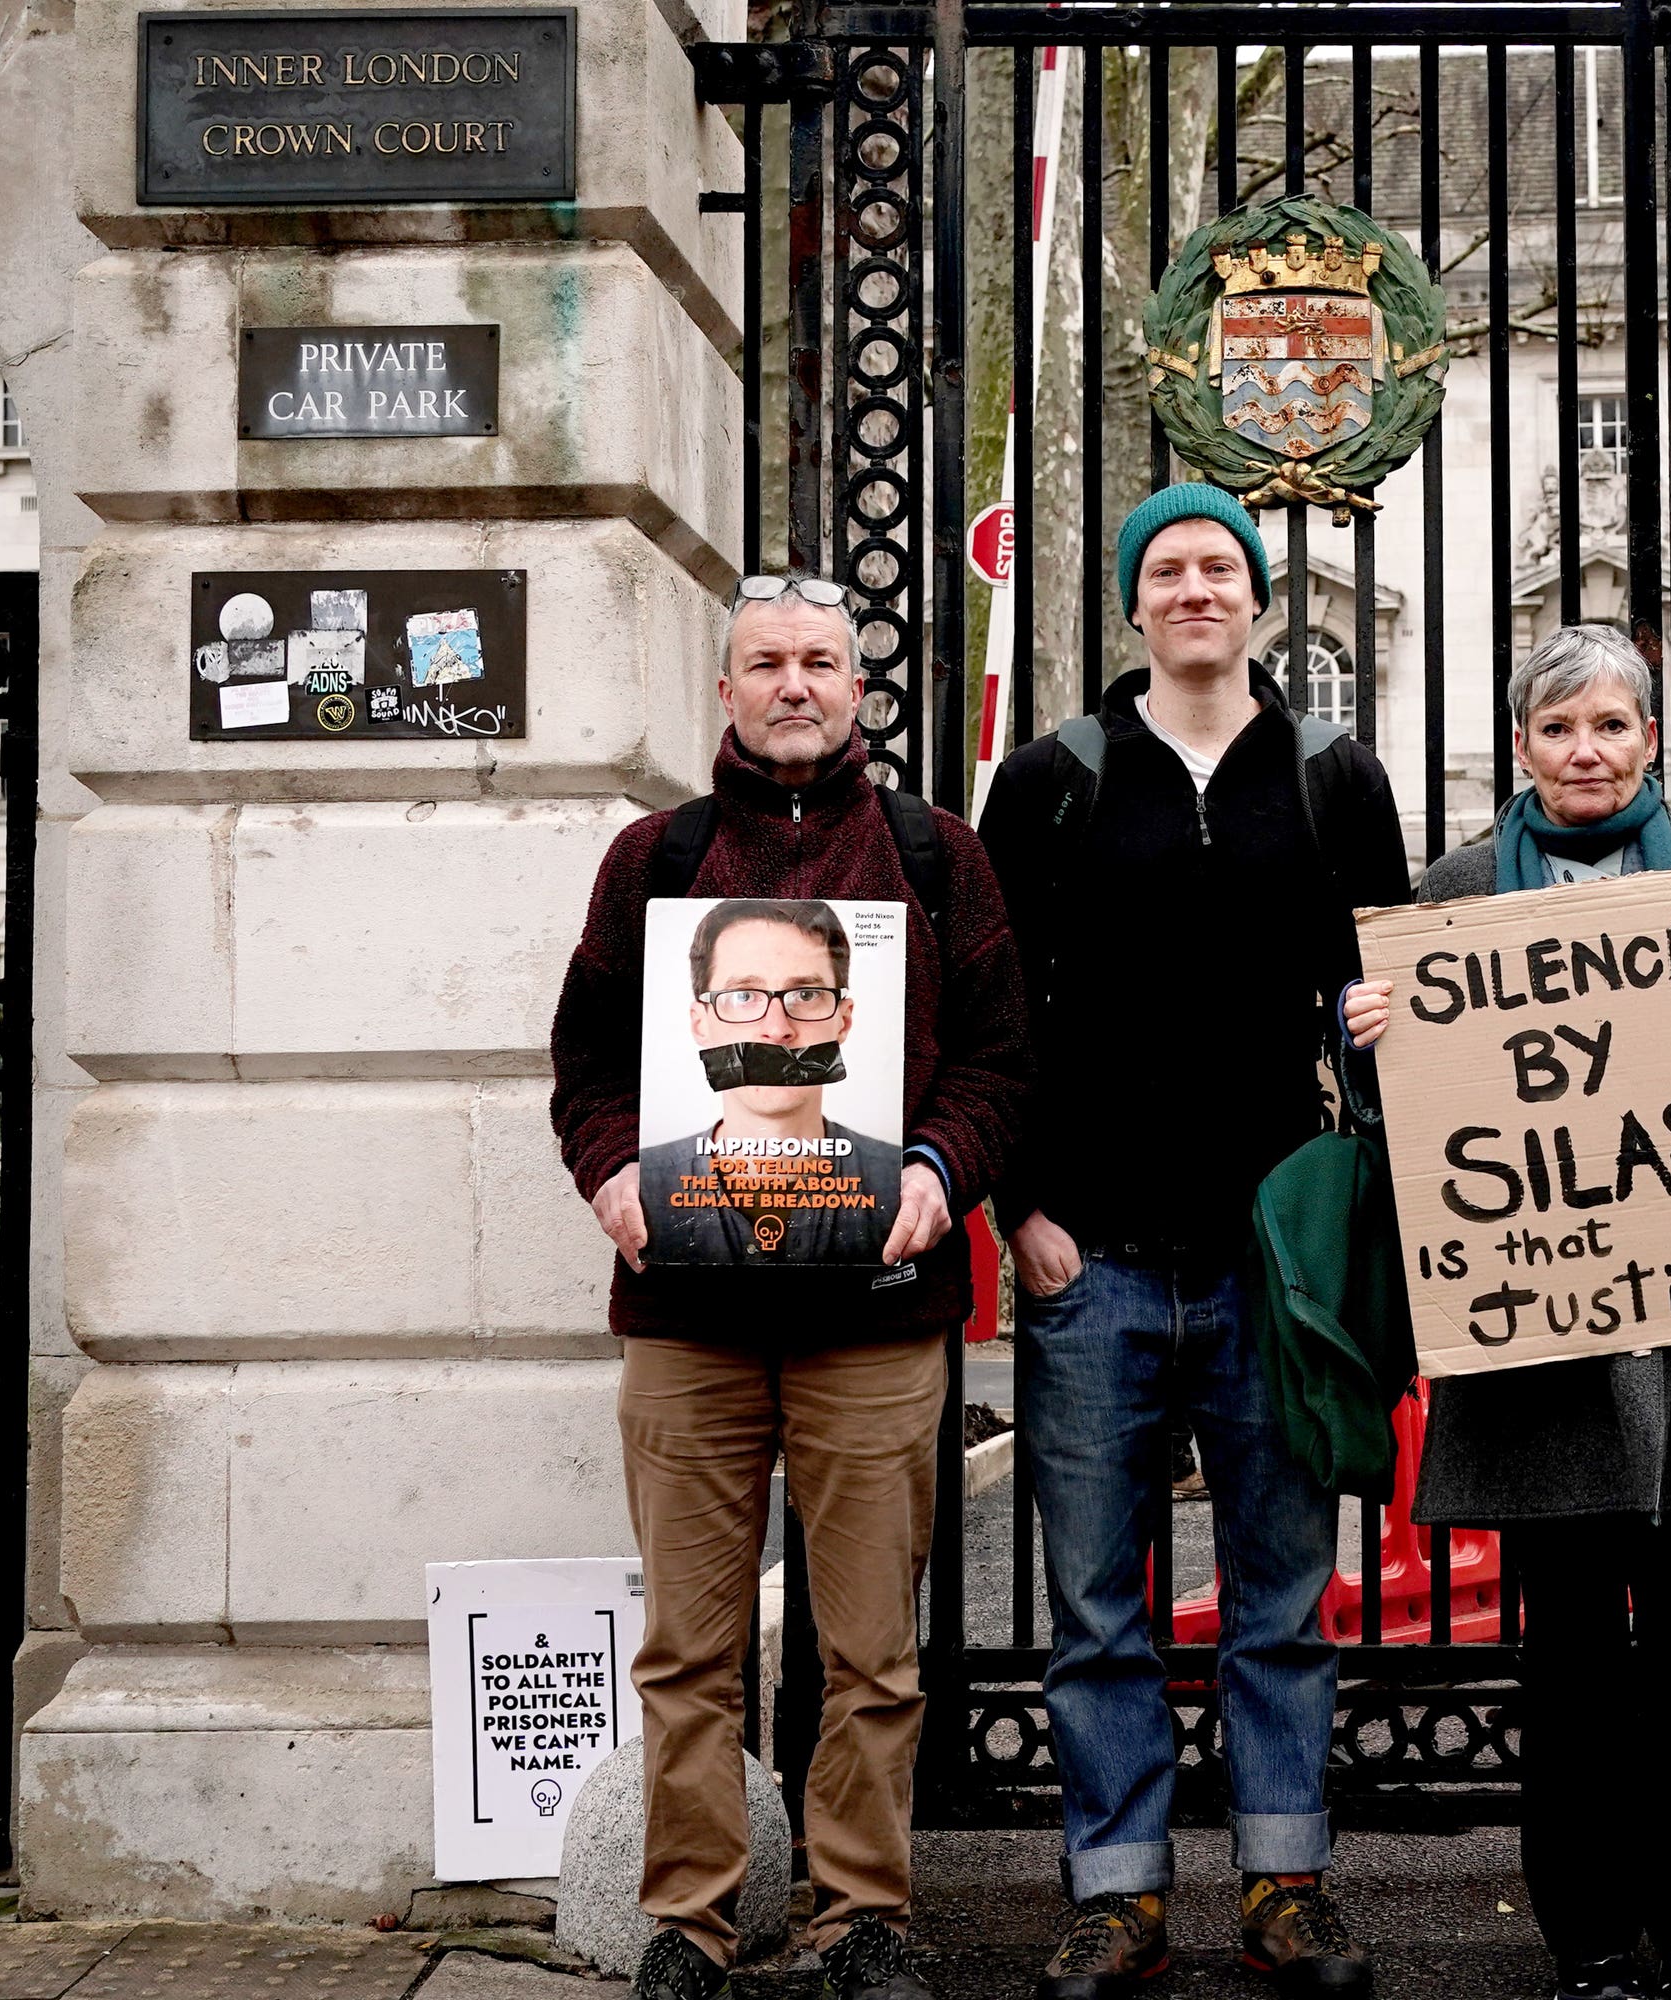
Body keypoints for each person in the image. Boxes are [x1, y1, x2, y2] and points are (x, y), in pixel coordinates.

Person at [550, 572, 1033, 2000]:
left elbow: (1002, 1063)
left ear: (860, 685)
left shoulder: (940, 860)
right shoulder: (655, 858)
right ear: (728, 688)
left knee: (874, 1650)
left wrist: (939, 1172)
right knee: (690, 1648)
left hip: (876, 1322)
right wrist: (615, 1178)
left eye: (821, 660)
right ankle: (690, 1927)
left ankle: (860, 1918)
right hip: (689, 1320)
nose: (796, 685)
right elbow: (586, 1067)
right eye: (767, 662)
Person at [977, 483, 1412, 2000]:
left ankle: (1286, 1881)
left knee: (1281, 1596)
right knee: (1099, 1602)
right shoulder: (1054, 779)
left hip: (1272, 1260)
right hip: (1087, 1252)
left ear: (1257, 594)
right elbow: (994, 1012)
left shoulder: (1336, 778)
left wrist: (1386, 1018)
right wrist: (1018, 1206)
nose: (1196, 589)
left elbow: (1391, 998)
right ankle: (1119, 1895)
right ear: (1133, 599)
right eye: (1166, 568)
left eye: (1220, 565)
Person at [1343, 624, 1671, 2000]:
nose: (1588, 753)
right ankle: (1587, 1937)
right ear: (1522, 747)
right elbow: (1409, 1122)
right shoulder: (1457, 890)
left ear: (1651, 742)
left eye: (1613, 728)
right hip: (1540, 1346)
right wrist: (1374, 1038)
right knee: (1572, 1662)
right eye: (1560, 729)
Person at [640, 898, 905, 1264]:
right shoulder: (643, 1184)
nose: (777, 1029)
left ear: (843, 1022)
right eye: (744, 995)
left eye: (806, 994)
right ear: (700, 1023)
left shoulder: (901, 1183)